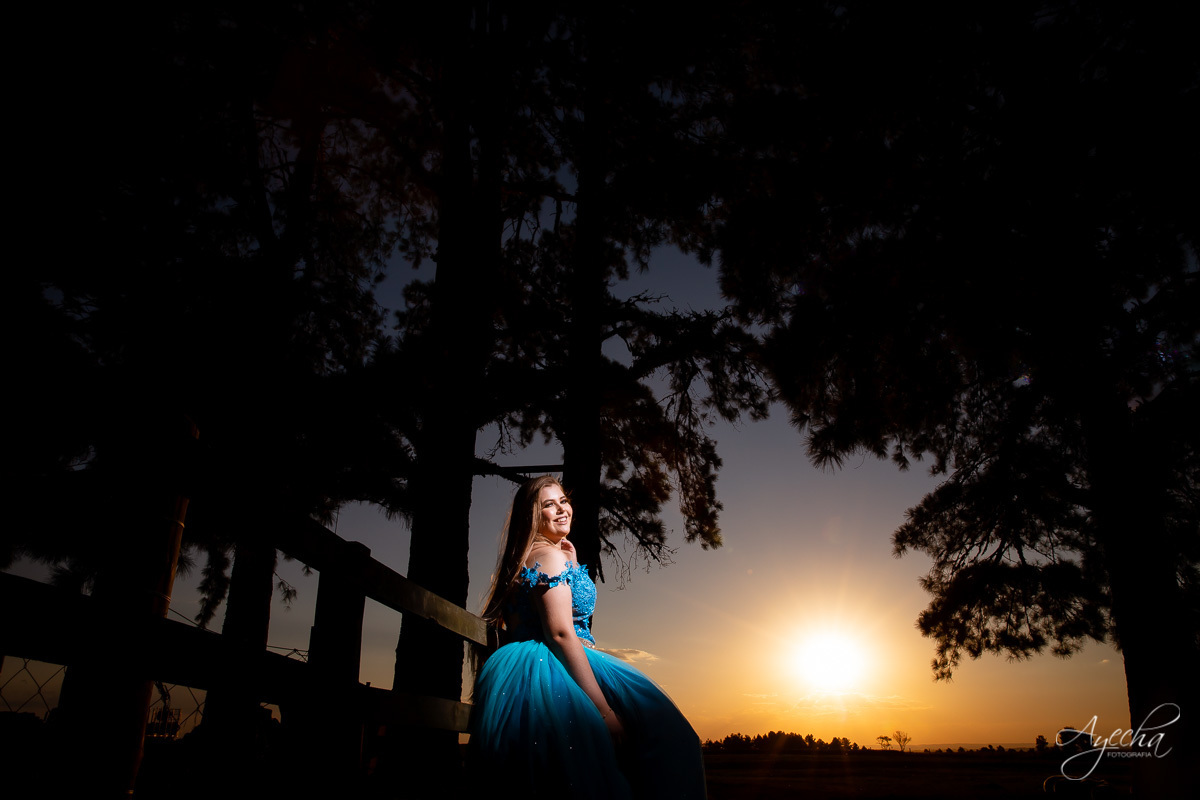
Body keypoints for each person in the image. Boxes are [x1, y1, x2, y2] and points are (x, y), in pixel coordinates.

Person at [468, 475, 706, 799]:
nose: (562, 509)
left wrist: (572, 561)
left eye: (563, 501)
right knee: (670, 737)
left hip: (536, 660)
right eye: (548, 505)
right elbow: (561, 633)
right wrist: (604, 712)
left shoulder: (541, 555)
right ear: (532, 515)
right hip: (554, 662)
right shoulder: (547, 557)